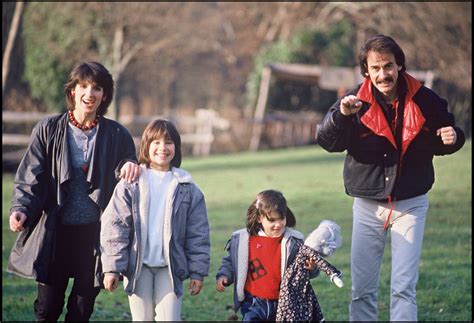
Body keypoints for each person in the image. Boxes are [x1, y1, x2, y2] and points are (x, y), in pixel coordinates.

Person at [316, 34, 466, 321]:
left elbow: (445, 136)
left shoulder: (426, 99)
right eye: (375, 68)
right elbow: (326, 140)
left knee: (403, 288)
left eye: (388, 66)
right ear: (366, 71)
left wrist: (455, 137)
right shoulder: (353, 101)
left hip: (411, 204)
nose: (383, 74)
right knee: (362, 290)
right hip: (367, 206)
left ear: (400, 66)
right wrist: (342, 116)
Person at [7, 61, 140, 321]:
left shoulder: (117, 134)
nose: (89, 94)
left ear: (105, 96)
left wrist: (129, 165)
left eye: (97, 88)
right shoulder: (48, 129)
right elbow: (31, 175)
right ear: (72, 91)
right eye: (83, 86)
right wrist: (20, 208)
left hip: (94, 238)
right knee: (47, 309)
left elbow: (128, 164)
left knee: (81, 311)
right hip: (55, 233)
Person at [100, 119, 211, 321]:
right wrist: (112, 268)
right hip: (138, 267)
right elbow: (115, 227)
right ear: (146, 146)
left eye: (168, 142)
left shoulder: (187, 186)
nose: (162, 148)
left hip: (169, 268)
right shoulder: (131, 183)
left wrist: (197, 272)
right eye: (156, 142)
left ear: (176, 148)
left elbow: (198, 234)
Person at [215, 189, 322, 321]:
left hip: (283, 304)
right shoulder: (244, 240)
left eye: (281, 218)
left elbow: (303, 275)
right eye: (272, 220)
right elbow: (232, 262)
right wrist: (224, 275)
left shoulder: (293, 242)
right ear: (260, 218)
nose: (278, 224)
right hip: (253, 303)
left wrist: (312, 268)